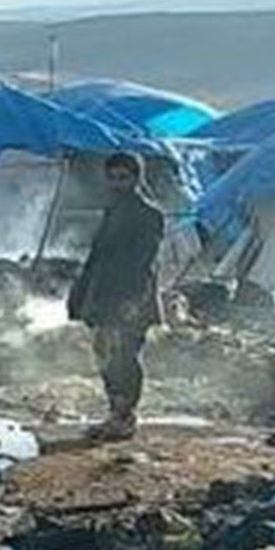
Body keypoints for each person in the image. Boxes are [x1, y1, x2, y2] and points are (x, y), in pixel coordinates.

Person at [68, 151, 165, 440]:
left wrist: (131, 303)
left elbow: (144, 263)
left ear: (136, 178)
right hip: (103, 296)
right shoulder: (112, 211)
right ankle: (115, 412)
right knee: (104, 354)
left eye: (124, 177)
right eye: (112, 177)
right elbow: (96, 258)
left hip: (131, 298)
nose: (117, 183)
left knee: (125, 356)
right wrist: (79, 295)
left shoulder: (149, 215)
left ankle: (124, 416)